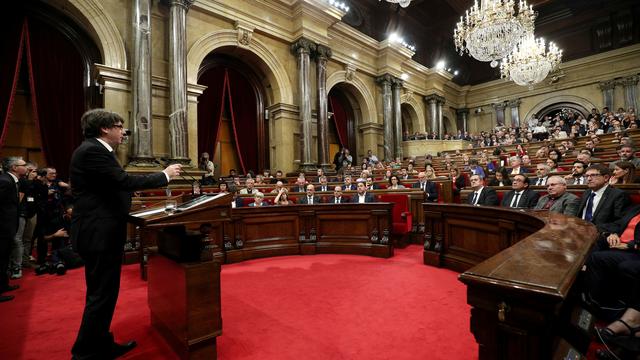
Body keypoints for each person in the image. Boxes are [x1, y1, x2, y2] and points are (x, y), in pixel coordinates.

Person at [69, 109, 182, 359]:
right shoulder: (93, 151)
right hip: (99, 233)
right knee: (101, 295)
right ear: (104, 129)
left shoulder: (95, 150)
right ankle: (85, 354)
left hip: (101, 230)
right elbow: (123, 181)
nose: (123, 132)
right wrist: (164, 175)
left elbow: (113, 184)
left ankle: (100, 344)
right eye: (119, 126)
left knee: (104, 294)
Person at [0, 157, 28, 302]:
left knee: (4, 257)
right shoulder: (4, 181)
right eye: (23, 165)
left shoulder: (11, 180)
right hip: (2, 228)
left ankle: (3, 285)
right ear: (14, 168)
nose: (27, 167)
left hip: (8, 227)